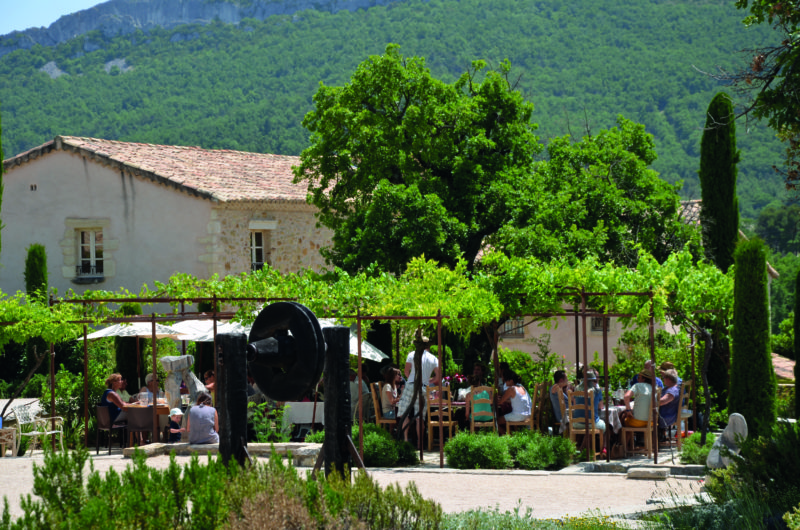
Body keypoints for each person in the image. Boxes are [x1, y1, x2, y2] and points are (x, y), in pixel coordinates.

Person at [397, 335, 441, 442]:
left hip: (411, 384)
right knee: (420, 418)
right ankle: (420, 444)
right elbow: (438, 377)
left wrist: (413, 379)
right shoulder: (434, 358)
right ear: (428, 346)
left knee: (405, 413)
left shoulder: (412, 354)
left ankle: (406, 440)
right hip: (423, 387)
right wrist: (428, 380)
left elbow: (406, 371)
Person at [572, 369, 607, 452]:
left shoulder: (576, 389)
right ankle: (603, 449)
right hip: (591, 423)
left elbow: (574, 403)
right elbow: (600, 406)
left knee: (590, 424)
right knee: (605, 425)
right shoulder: (596, 391)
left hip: (576, 423)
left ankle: (580, 449)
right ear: (593, 381)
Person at [497, 369, 532, 435]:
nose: (506, 383)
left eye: (506, 381)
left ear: (511, 381)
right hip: (528, 415)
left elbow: (500, 402)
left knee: (497, 421)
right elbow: (517, 400)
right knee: (506, 417)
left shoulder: (511, 389)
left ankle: (507, 436)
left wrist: (495, 399)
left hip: (519, 416)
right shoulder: (521, 387)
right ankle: (511, 434)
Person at [658, 369, 681, 436]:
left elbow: (661, 402)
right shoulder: (670, 387)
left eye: (664, 377)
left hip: (666, 417)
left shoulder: (672, 391)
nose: (663, 379)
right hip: (665, 414)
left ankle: (646, 439)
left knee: (643, 417)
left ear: (669, 379)